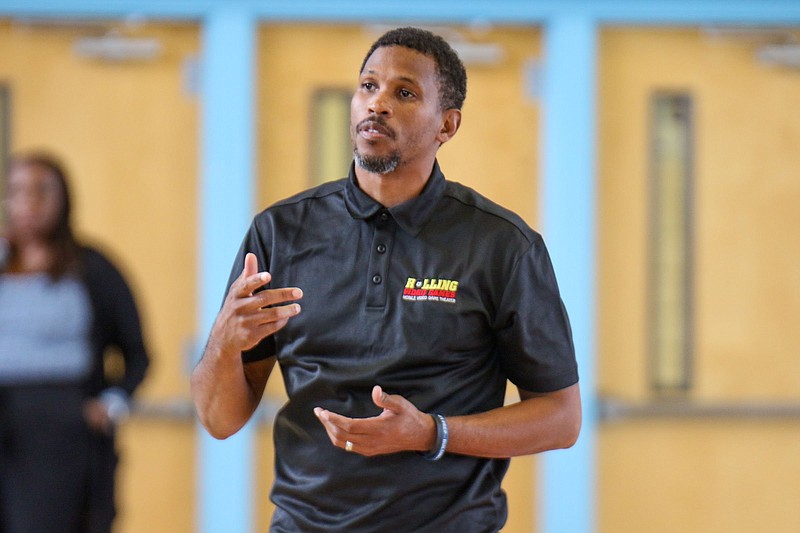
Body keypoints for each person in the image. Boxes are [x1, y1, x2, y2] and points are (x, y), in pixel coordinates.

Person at [191, 26, 581, 532]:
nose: (377, 104)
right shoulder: (280, 233)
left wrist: (431, 433)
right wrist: (223, 341)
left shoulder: (501, 245)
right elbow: (219, 420)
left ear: (447, 125)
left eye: (404, 93)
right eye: (368, 86)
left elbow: (560, 417)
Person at [0, 152, 150, 533]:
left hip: (63, 430)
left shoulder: (91, 267)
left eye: (41, 191)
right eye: (17, 191)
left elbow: (137, 353)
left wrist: (112, 403)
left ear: (63, 199)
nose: (29, 203)